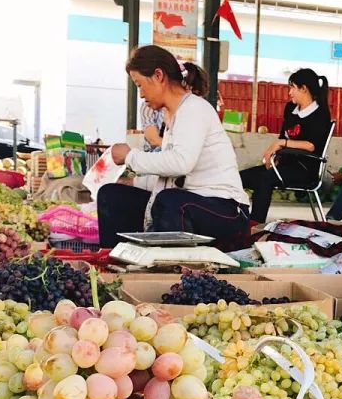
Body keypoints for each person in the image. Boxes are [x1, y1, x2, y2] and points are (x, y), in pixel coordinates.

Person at [98, 46, 251, 248]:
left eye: (140, 85)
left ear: (158, 75)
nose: (141, 94)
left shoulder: (194, 108)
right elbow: (172, 178)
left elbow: (181, 163)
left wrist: (130, 157)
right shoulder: (174, 116)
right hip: (190, 201)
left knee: (170, 201)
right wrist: (131, 182)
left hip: (226, 211)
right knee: (112, 195)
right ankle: (117, 263)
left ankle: (173, 270)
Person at [240, 68, 332, 224]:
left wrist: (280, 144)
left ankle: (254, 224)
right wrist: (276, 157)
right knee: (240, 178)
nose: (289, 93)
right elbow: (284, 135)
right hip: (283, 165)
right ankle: (237, 218)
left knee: (265, 179)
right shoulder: (290, 109)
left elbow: (311, 146)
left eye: (292, 88)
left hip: (305, 170)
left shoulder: (320, 113)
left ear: (304, 88)